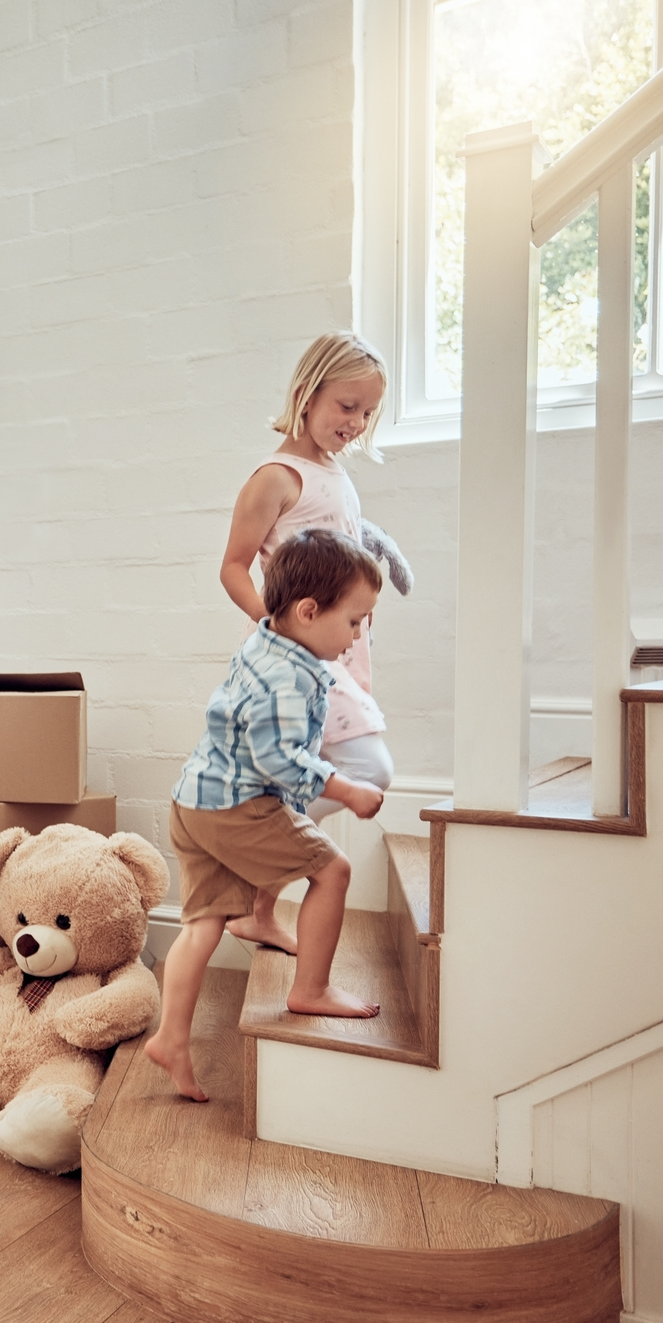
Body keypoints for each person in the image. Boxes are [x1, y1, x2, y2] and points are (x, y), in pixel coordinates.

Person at [145, 529, 387, 1103]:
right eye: (354, 621)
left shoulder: (269, 639)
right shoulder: (290, 674)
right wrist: (344, 788)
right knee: (332, 871)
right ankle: (312, 988)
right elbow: (275, 757)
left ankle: (171, 1037)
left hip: (194, 798)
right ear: (308, 611)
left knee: (201, 923)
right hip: (237, 809)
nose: (359, 635)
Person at [213, 331, 406, 957]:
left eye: (367, 413)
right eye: (346, 406)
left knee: (295, 773)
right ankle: (254, 856)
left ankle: (258, 908)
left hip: (342, 649)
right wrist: (277, 629)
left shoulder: (335, 475)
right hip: (295, 657)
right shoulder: (275, 477)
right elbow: (235, 567)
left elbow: (342, 540)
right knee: (368, 767)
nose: (356, 422)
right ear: (305, 394)